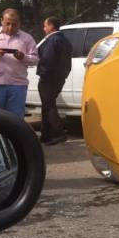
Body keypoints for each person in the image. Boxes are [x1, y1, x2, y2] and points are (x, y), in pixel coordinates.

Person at [0, 8, 38, 117]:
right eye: (7, 23)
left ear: (19, 23)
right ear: (1, 20)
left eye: (14, 24)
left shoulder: (27, 38)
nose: (10, 27)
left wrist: (23, 57)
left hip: (18, 86)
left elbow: (35, 59)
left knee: (15, 120)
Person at [37, 17, 72, 145]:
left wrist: (42, 73)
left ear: (51, 26)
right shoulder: (65, 40)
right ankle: (46, 134)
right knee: (47, 105)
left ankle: (59, 133)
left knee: (49, 104)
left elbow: (47, 60)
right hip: (59, 77)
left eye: (45, 26)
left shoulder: (52, 40)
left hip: (49, 77)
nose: (44, 29)